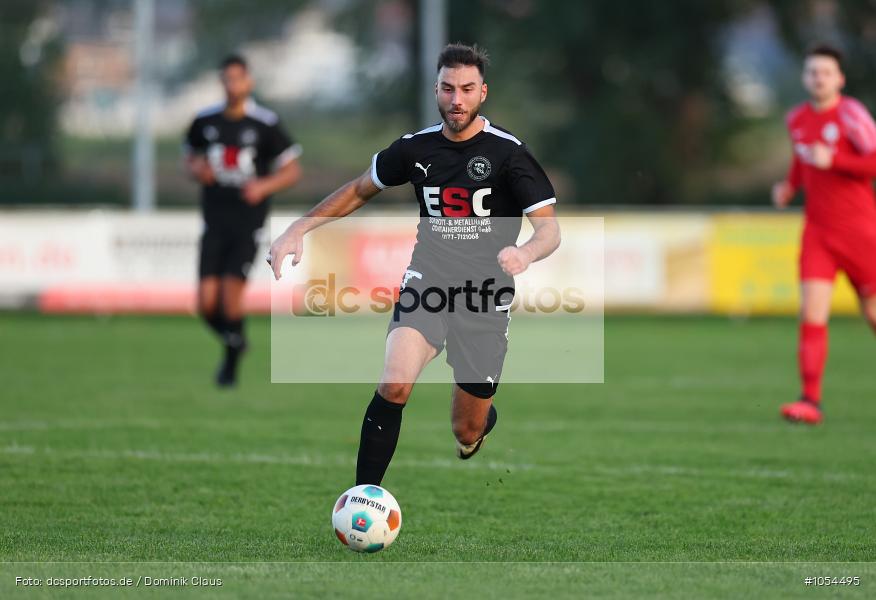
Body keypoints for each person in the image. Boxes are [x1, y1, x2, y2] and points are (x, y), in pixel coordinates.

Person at [269, 43, 560, 484]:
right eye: (447, 88)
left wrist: (525, 252)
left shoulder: (509, 154)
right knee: (395, 384)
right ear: (436, 90)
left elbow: (549, 231)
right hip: (429, 283)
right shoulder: (415, 148)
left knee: (466, 429)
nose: (456, 100)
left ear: (483, 92)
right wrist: (299, 228)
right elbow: (360, 188)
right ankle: (362, 498)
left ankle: (480, 422)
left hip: (485, 296)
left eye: (466, 89)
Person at [772, 44, 876, 424]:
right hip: (818, 232)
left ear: (840, 79)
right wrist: (788, 187)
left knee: (872, 313)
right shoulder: (796, 118)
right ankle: (810, 401)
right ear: (805, 78)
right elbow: (801, 162)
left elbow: (873, 160)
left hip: (860, 231)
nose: (819, 78)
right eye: (813, 72)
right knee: (811, 314)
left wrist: (836, 161)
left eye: (826, 72)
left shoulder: (851, 114)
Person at [184, 54, 302, 386]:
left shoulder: (264, 122)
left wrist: (264, 184)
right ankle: (236, 341)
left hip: (247, 222)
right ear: (221, 82)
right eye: (227, 79)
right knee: (206, 302)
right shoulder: (205, 121)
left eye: (238, 79)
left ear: (248, 81)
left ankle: (230, 364)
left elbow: (292, 169)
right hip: (213, 219)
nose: (232, 85)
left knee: (230, 296)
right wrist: (196, 169)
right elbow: (189, 158)